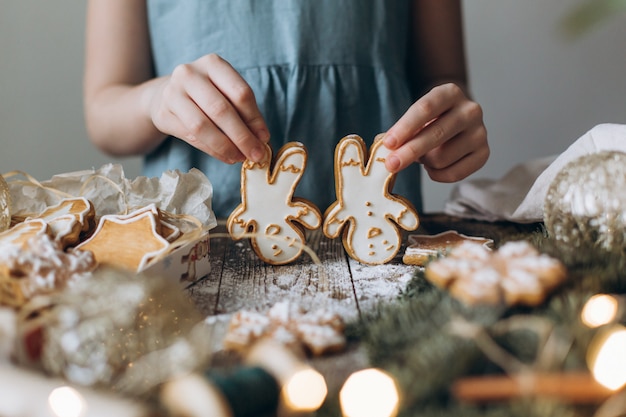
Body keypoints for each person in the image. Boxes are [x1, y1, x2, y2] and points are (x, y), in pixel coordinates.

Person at [84, 0, 489, 218]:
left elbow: (443, 78)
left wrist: (447, 126)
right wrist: (154, 100)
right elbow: (103, 111)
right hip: (191, 246)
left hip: (380, 244)